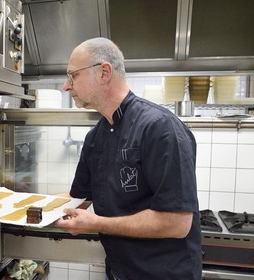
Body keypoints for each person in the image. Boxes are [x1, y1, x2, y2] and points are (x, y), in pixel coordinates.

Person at [53, 37, 202, 280]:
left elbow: (177, 223)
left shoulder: (160, 128)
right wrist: (13, 202)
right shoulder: (95, 137)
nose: (66, 87)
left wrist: (96, 223)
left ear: (104, 73)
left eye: (73, 76)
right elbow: (78, 199)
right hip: (119, 272)